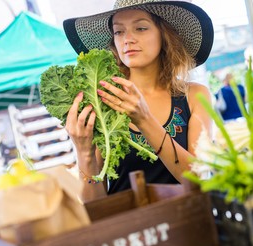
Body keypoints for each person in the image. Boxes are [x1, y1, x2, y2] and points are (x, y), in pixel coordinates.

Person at [62, 0, 214, 195]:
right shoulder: (103, 103)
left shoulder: (194, 95)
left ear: (164, 34)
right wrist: (84, 152)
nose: (127, 39)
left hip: (188, 220)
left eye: (141, 28)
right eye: (118, 31)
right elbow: (94, 204)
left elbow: (200, 177)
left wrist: (144, 120)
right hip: (128, 224)